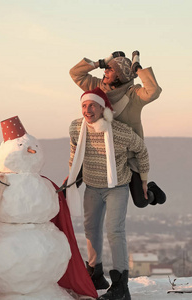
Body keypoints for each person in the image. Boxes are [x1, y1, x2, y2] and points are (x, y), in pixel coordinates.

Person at [67, 87, 150, 300]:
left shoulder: (120, 132)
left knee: (115, 231)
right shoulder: (77, 127)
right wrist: (72, 177)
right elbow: (74, 153)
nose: (87, 110)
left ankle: (121, 286)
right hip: (92, 187)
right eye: (84, 105)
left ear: (103, 107)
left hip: (117, 188)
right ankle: (96, 275)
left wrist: (143, 179)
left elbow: (141, 149)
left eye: (92, 105)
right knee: (91, 229)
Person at [69, 50, 166, 208]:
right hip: (99, 151)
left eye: (111, 69)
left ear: (121, 75)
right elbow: (75, 74)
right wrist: (100, 62)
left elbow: (153, 91)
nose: (105, 72)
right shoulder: (98, 88)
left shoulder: (133, 95)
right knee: (74, 180)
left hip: (127, 152)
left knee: (141, 201)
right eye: (105, 68)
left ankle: (152, 191)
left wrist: (138, 70)